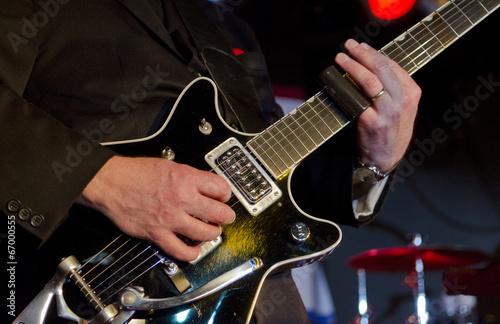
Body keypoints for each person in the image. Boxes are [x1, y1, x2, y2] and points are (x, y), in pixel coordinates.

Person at [0, 0, 420, 323]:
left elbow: (278, 179)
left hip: (260, 298)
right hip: (84, 288)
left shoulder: (227, 25)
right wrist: (103, 180)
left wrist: (375, 159)